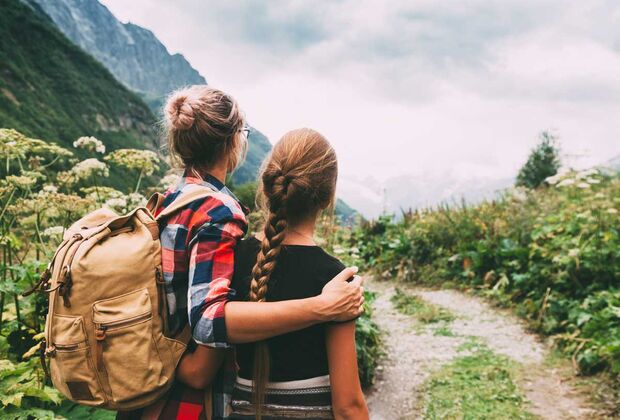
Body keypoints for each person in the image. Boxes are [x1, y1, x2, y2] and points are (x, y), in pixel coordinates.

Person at [117, 86, 364, 420]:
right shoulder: (218, 213)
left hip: (147, 386)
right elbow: (208, 326)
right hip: (185, 402)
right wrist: (321, 307)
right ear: (233, 141)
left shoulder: (167, 203)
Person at [229, 128, 369, 419]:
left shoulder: (234, 256)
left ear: (268, 187)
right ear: (327, 197)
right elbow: (348, 406)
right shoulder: (336, 280)